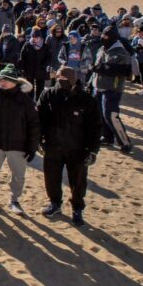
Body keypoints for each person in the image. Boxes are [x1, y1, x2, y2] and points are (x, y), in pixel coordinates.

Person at [37, 67, 101, 227]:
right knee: (52, 177)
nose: (60, 81)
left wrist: (93, 150)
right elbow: (39, 118)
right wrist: (39, 140)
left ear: (73, 81)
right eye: (58, 78)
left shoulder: (86, 100)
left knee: (78, 180)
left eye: (64, 80)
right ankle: (54, 203)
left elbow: (95, 127)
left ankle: (77, 207)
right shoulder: (49, 94)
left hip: (78, 148)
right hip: (53, 145)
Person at [0, 66, 39, 214]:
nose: (3, 83)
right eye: (1, 80)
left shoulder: (25, 101)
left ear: (15, 82)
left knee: (18, 176)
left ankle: (14, 200)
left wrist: (32, 147)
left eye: (7, 80)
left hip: (17, 145)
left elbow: (34, 125)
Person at [90, 26, 133, 153]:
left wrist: (99, 68)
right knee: (100, 114)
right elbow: (96, 67)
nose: (103, 38)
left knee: (111, 115)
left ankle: (125, 142)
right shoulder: (102, 49)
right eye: (102, 35)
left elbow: (120, 70)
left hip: (112, 88)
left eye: (106, 36)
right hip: (98, 86)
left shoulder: (120, 52)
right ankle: (107, 137)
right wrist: (90, 83)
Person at [20, 32, 53, 100]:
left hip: (41, 70)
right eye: (33, 37)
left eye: (37, 37)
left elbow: (49, 57)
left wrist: (45, 65)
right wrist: (22, 67)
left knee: (40, 87)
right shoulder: (27, 45)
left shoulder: (45, 46)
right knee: (29, 87)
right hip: (29, 69)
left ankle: (39, 102)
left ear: (40, 38)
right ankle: (29, 101)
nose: (35, 39)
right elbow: (22, 56)